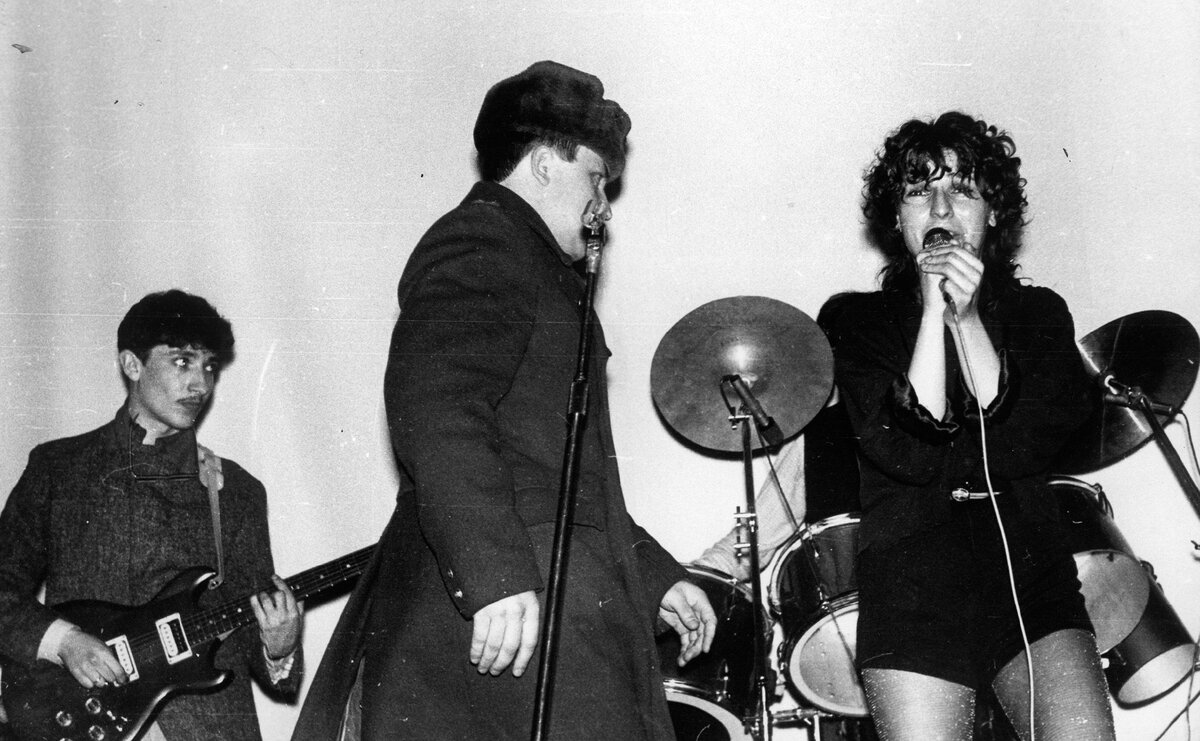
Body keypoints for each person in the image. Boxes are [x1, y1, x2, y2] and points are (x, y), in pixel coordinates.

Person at [293, 61, 715, 741]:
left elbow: (559, 478)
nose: (604, 206)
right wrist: (492, 575)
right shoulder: (485, 240)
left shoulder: (535, 266)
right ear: (545, 164)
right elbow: (437, 406)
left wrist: (654, 577)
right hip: (517, 610)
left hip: (549, 603)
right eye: (597, 179)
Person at [819, 112, 1115, 740]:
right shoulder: (854, 320)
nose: (940, 207)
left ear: (994, 212)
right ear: (897, 217)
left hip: (1031, 580)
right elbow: (909, 455)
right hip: (911, 587)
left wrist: (969, 319)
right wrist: (934, 316)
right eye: (918, 190)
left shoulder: (1039, 313)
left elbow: (1021, 446)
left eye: (962, 189)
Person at [0, 289, 303, 741]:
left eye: (209, 367)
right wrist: (63, 641)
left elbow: (254, 630)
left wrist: (280, 647)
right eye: (183, 362)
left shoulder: (236, 491)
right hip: (78, 720)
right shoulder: (58, 468)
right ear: (132, 365)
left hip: (205, 729)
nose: (201, 385)